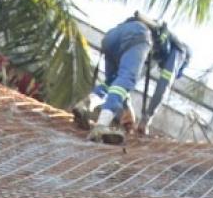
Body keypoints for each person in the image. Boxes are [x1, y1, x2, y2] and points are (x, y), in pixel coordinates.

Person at [73, 12, 175, 144]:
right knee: (128, 78)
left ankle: (86, 104)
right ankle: (101, 126)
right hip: (138, 35)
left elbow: (118, 83)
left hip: (113, 36)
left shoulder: (161, 39)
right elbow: (163, 87)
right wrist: (146, 120)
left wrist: (127, 107)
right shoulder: (179, 52)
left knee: (112, 82)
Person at [137, 23, 191, 136]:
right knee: (163, 84)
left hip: (162, 43)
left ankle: (145, 119)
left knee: (142, 75)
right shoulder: (178, 54)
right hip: (169, 46)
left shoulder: (172, 53)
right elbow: (162, 88)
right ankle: (145, 120)